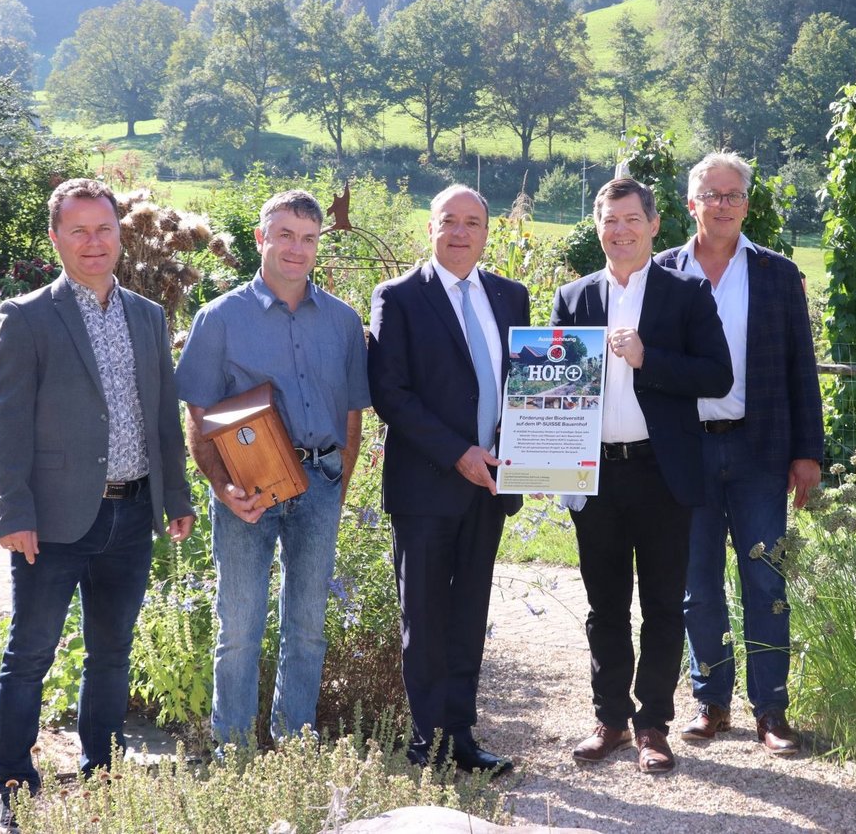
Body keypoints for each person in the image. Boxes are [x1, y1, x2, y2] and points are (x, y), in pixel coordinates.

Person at [0, 178, 195, 832]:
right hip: (52, 523)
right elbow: (7, 422)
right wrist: (14, 511)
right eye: (78, 231)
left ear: (119, 234)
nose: (93, 242)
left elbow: (164, 417)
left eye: (103, 228)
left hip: (131, 516)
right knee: (30, 657)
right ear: (56, 238)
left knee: (112, 653)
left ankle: (101, 775)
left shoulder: (148, 316)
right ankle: (15, 794)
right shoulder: (27, 316)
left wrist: (175, 495)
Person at [175, 190, 369, 749]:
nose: (297, 249)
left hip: (320, 485)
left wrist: (337, 486)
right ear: (262, 238)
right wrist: (221, 486)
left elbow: (352, 416)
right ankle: (234, 753)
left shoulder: (343, 322)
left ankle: (293, 746)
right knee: (239, 629)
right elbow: (199, 414)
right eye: (285, 235)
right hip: (247, 493)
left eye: (308, 239)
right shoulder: (220, 318)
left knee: (307, 629)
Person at [552, 177, 733, 774]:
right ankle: (609, 719)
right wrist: (549, 462)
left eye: (632, 219)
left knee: (662, 605)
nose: (621, 231)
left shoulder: (686, 293)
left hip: (662, 472)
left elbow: (717, 375)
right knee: (604, 606)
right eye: (610, 220)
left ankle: (652, 724)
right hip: (596, 474)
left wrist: (646, 358)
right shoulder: (573, 297)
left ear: (654, 225)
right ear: (597, 227)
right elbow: (552, 390)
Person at [655, 152, 824, 755]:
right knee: (697, 585)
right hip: (686, 451)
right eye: (711, 194)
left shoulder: (777, 274)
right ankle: (711, 702)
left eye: (732, 194)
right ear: (690, 204)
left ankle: (771, 710)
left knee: (765, 581)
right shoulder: (662, 272)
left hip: (759, 451)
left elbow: (801, 369)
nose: (722, 204)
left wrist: (807, 452)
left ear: (746, 205)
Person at [368, 185, 529, 774]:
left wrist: (533, 452)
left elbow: (525, 389)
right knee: (425, 616)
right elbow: (390, 392)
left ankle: (460, 737)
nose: (460, 232)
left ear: (487, 232)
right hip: (427, 485)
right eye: (449, 221)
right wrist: (458, 452)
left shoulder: (511, 296)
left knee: (468, 615)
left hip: (491, 486)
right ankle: (426, 742)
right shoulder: (399, 297)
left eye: (472, 223)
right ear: (430, 228)